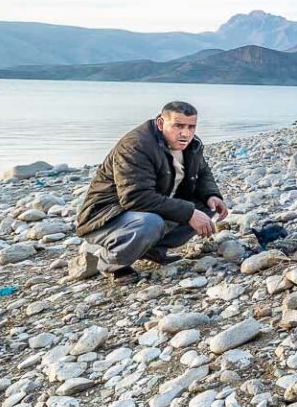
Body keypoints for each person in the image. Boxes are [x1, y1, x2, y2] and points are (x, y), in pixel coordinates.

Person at [74, 101, 229, 282]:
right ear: (161, 123)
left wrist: (212, 195)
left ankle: (152, 251)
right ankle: (111, 264)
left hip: (143, 210)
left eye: (191, 127)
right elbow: (135, 197)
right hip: (106, 217)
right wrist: (188, 213)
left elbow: (202, 173)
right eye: (178, 126)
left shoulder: (190, 145)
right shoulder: (136, 146)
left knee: (207, 206)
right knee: (151, 223)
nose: (186, 133)